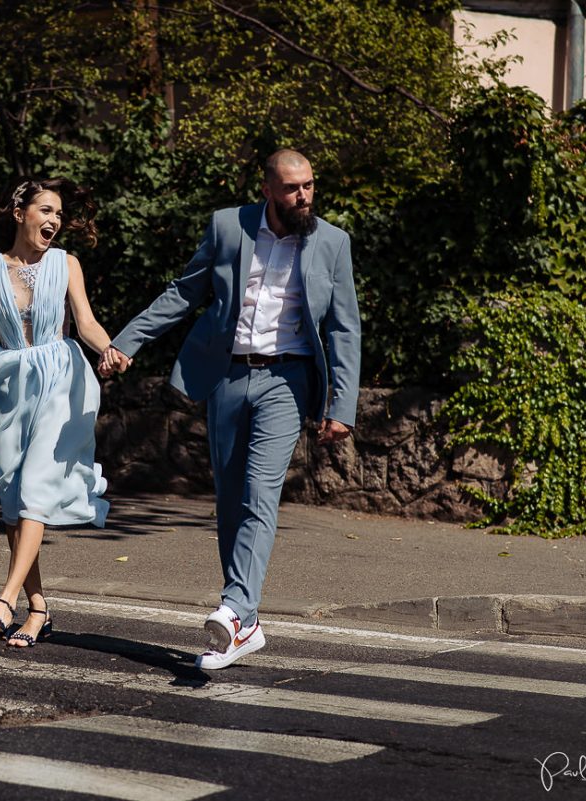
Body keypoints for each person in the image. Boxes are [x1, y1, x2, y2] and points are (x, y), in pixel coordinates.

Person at [99, 149, 360, 669]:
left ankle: (235, 607)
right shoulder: (227, 227)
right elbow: (183, 292)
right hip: (226, 376)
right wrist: (128, 341)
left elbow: (344, 327)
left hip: (288, 379)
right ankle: (248, 621)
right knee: (231, 497)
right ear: (267, 189)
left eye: (309, 185)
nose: (303, 196)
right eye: (292, 188)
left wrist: (342, 405)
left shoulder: (332, 242)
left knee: (261, 492)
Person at [0, 177, 111, 648]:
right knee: (14, 498)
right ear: (20, 213)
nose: (54, 220)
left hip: (60, 378)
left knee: (36, 484)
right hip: (8, 386)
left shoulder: (67, 264)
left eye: (58, 213)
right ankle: (38, 610)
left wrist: (109, 349)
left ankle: (5, 599)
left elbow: (86, 322)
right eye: (45, 210)